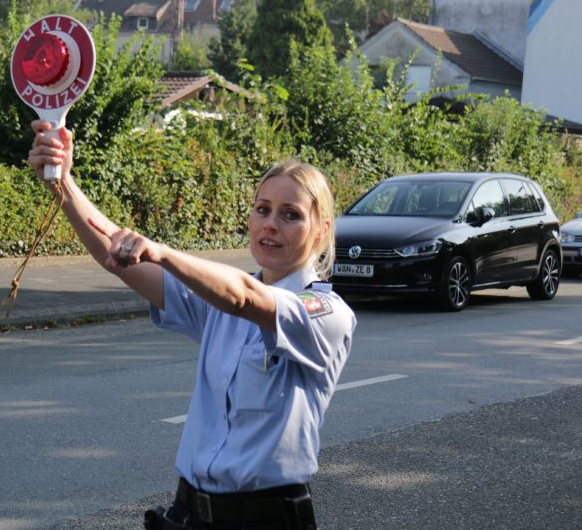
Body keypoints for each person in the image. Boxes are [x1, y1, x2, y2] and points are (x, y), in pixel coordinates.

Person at [28, 121, 356, 530]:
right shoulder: (217, 296)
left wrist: (163, 253)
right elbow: (122, 254)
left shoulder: (325, 311)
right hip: (190, 513)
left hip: (265, 519)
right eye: (262, 209)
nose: (271, 224)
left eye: (291, 215)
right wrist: (63, 185)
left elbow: (245, 298)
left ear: (322, 230)